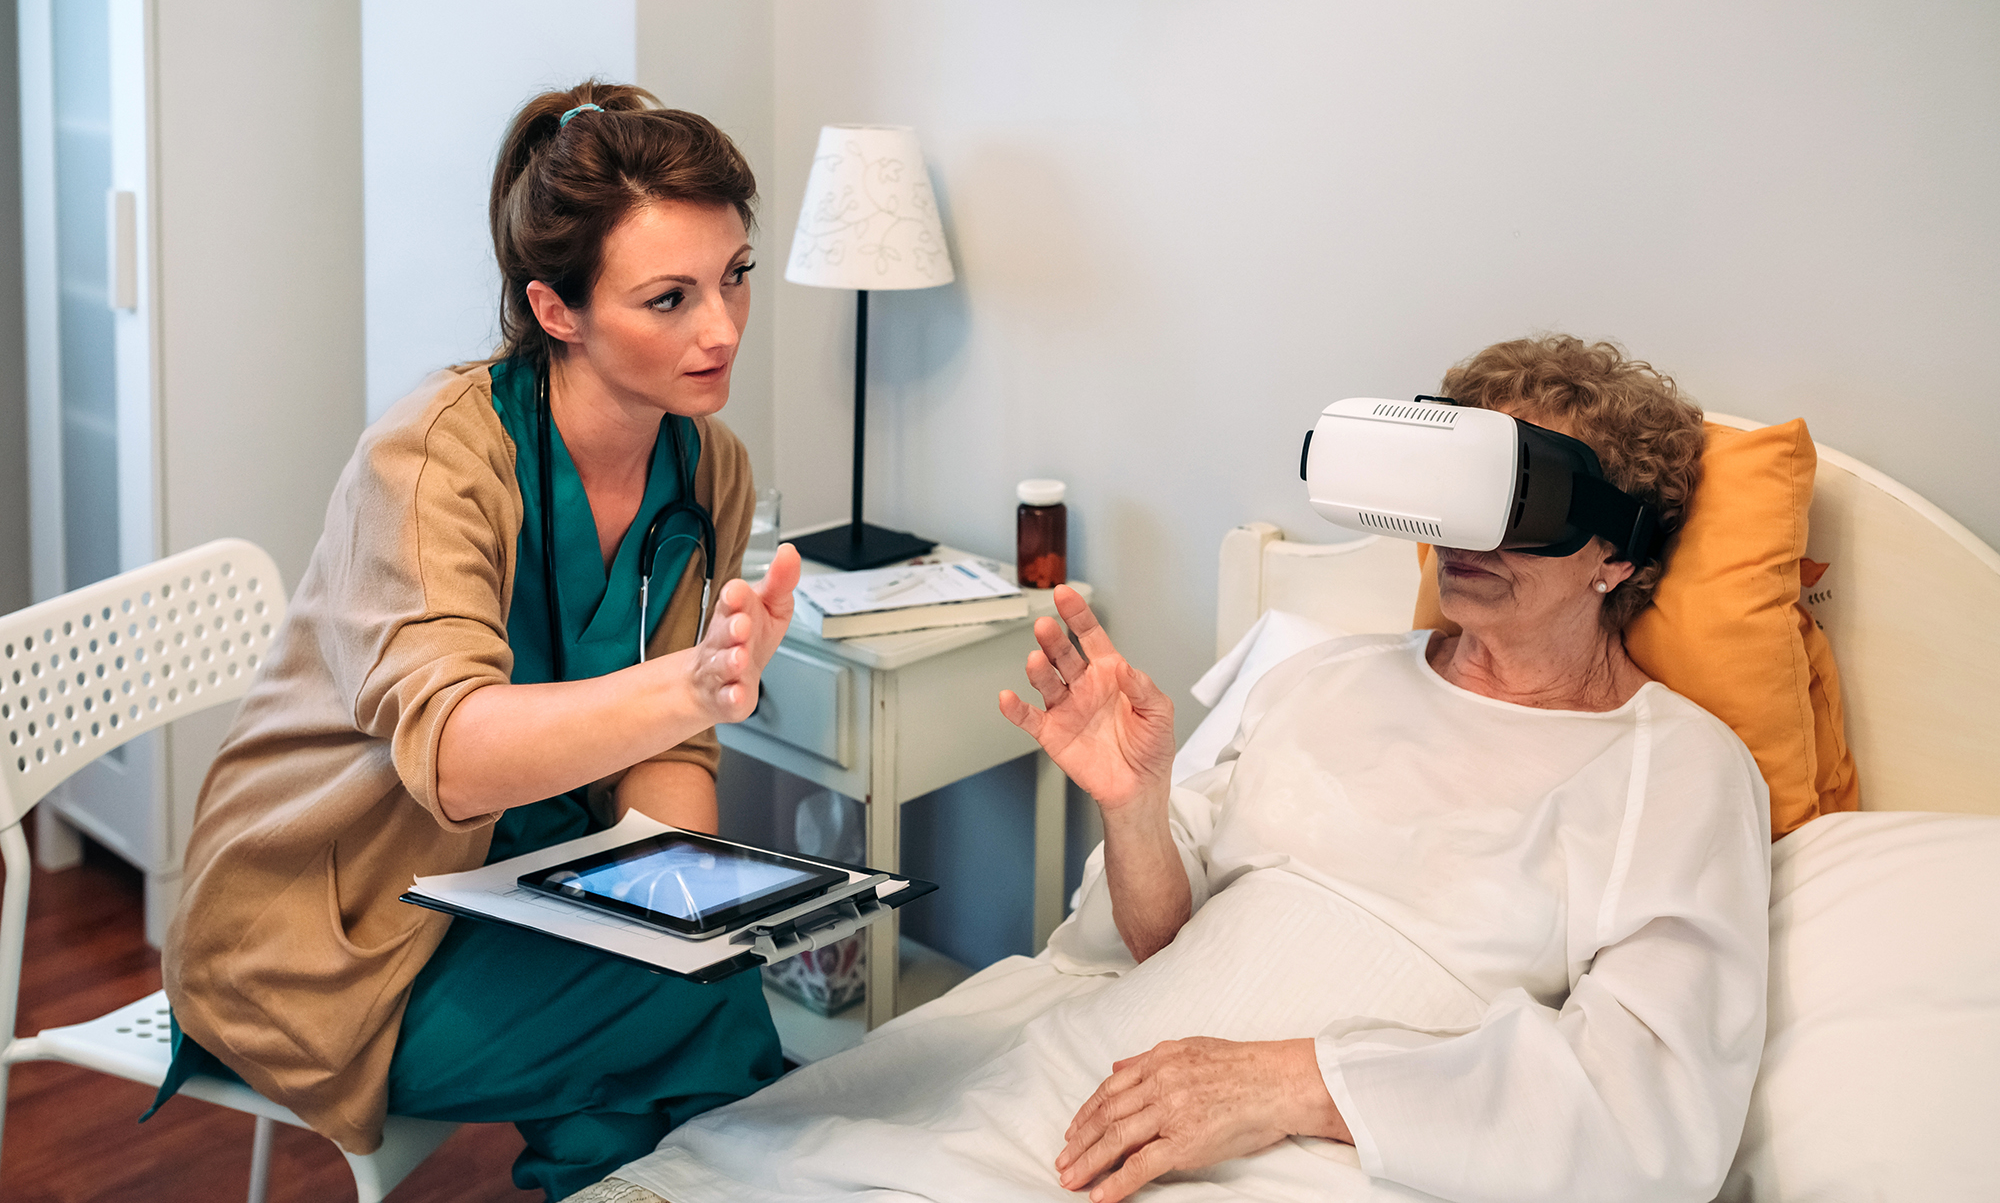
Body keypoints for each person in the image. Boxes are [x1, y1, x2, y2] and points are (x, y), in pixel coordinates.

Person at [582, 336, 1770, 1203]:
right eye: (1451, 493)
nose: (1464, 539)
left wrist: (1290, 1083)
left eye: (1515, 503)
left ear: (1617, 552)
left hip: (1332, 1157)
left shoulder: (1674, 769)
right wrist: (1134, 806)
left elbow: (1644, 1111)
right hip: (1088, 1076)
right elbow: (1153, 936)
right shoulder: (1325, 677)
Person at [151, 82, 801, 1201]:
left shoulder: (706, 468)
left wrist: (687, 905)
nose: (722, 328)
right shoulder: (432, 459)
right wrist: (693, 688)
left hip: (527, 879)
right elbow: (452, 754)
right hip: (333, 924)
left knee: (703, 985)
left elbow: (670, 753)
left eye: (735, 275)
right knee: (697, 1020)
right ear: (557, 310)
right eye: (669, 297)